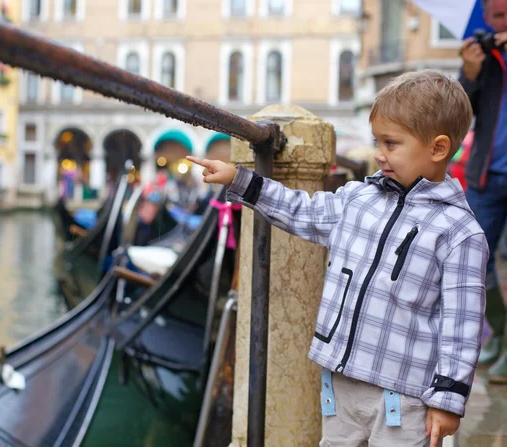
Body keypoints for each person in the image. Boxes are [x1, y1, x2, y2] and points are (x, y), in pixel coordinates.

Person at [188, 71, 488, 447]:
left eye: (391, 144)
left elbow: (461, 325)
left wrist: (448, 399)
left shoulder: (460, 232)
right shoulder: (358, 200)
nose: (379, 153)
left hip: (403, 396)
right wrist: (241, 180)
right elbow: (302, 210)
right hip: (340, 381)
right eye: (377, 141)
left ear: (438, 148)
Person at [459, 0, 507, 382]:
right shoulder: (485, 58)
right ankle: (500, 334)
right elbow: (459, 112)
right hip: (486, 177)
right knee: (477, 259)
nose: (497, 21)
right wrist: (471, 73)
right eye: (494, 15)